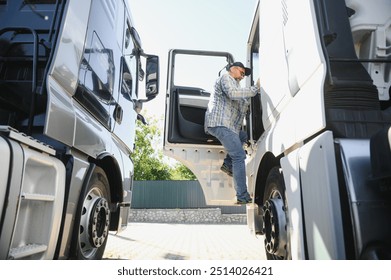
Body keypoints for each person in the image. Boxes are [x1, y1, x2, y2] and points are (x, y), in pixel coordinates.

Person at [205, 62, 260, 204]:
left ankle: (228, 164)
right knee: (239, 156)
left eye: (244, 74)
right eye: (241, 72)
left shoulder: (237, 86)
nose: (242, 76)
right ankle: (242, 196)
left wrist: (251, 96)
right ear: (232, 69)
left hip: (230, 127)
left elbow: (242, 106)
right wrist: (255, 88)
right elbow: (232, 94)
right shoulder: (225, 78)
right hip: (220, 124)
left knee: (245, 136)